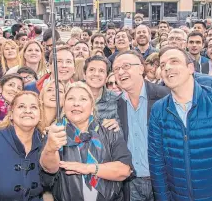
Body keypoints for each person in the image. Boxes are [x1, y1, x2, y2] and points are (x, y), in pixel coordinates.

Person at [148, 47, 212, 200]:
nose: (167, 67)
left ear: (190, 68)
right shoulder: (158, 109)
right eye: (163, 65)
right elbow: (157, 162)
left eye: (174, 61)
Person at [40, 82, 133, 201]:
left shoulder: (109, 131)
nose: (76, 103)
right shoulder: (56, 133)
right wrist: (50, 148)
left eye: (83, 99)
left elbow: (124, 170)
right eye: (70, 99)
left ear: (92, 106)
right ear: (63, 105)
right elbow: (49, 169)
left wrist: (88, 168)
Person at [113, 50, 170, 200]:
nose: (120, 72)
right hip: (130, 184)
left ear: (141, 68)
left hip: (163, 180)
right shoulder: (114, 105)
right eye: (116, 69)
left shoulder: (165, 96)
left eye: (126, 66)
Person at [84, 55, 121, 124]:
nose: (96, 74)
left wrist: (118, 123)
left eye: (101, 71)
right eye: (92, 70)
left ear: (107, 77)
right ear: (84, 74)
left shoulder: (117, 100)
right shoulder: (73, 97)